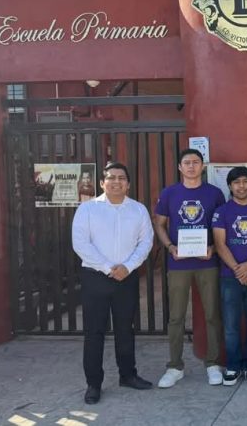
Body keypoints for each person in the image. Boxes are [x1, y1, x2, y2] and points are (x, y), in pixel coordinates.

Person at [71, 161, 154, 404]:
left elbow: (145, 242)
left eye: (121, 178)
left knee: (125, 330)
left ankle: (128, 375)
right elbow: (81, 244)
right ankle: (93, 384)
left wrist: (127, 267)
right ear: (102, 182)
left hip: (126, 278)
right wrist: (108, 268)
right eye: (111, 178)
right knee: (94, 333)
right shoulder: (87, 210)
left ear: (128, 184)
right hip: (96, 277)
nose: (116, 182)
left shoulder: (138, 210)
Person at [154, 148, 226, 388]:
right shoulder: (169, 193)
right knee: (176, 317)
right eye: (187, 162)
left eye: (196, 162)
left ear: (203, 166)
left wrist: (213, 249)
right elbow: (160, 224)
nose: (192, 166)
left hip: (208, 263)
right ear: (180, 167)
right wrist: (170, 246)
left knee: (212, 314)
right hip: (179, 262)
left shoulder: (215, 194)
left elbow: (222, 228)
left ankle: (213, 363)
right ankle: (175, 367)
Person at [212, 167, 247, 386]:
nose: (241, 186)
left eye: (245, 182)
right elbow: (219, 244)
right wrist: (238, 269)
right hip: (229, 277)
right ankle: (233, 366)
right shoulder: (222, 211)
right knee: (231, 326)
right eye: (236, 182)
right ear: (230, 186)